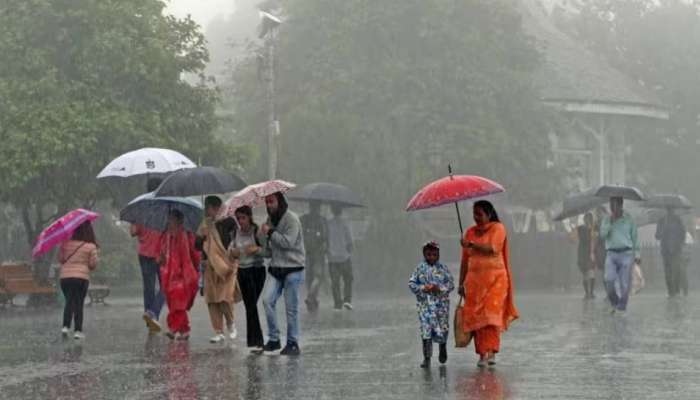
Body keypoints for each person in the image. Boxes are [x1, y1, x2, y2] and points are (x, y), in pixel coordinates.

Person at [459, 200, 519, 368]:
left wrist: (471, 244)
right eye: (474, 214)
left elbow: (493, 248)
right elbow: (465, 261)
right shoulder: (469, 232)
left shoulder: (498, 229)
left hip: (496, 282)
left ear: (489, 213)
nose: (476, 217)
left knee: (490, 317)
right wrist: (460, 283)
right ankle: (481, 354)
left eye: (479, 214)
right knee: (478, 319)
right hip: (474, 284)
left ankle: (491, 351)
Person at [260, 192, 306, 356]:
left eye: (271, 201)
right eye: (266, 202)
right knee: (267, 301)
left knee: (291, 308)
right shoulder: (269, 220)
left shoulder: (291, 219)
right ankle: (274, 339)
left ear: (279, 201)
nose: (269, 205)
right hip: (276, 268)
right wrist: (261, 238)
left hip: (293, 268)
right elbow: (267, 251)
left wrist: (271, 233)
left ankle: (292, 343)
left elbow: (288, 242)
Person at [196, 196, 239, 343]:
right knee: (212, 300)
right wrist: (201, 236)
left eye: (208, 208)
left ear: (216, 208)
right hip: (209, 266)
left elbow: (235, 241)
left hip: (226, 265)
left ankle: (231, 324)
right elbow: (197, 246)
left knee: (225, 297)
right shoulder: (204, 224)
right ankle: (218, 331)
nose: (206, 212)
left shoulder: (229, 221)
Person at [408, 241, 454, 368]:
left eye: (434, 254)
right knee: (426, 330)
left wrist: (439, 288)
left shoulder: (443, 269)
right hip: (425, 306)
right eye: (428, 254)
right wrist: (423, 288)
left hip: (441, 306)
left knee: (443, 328)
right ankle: (427, 357)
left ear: (438, 254)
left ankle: (442, 347)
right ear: (424, 254)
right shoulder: (419, 269)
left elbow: (451, 285)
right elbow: (411, 284)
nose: (431, 257)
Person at [158, 210, 201, 340]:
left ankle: (173, 328)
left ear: (179, 221)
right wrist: (160, 258)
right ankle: (184, 330)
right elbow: (161, 255)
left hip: (183, 275)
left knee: (178, 303)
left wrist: (194, 269)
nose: (169, 222)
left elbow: (195, 254)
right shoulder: (166, 236)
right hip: (168, 275)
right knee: (173, 303)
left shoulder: (187, 235)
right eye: (169, 219)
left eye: (172, 219)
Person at [130, 177, 165, 333]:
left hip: (144, 253)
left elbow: (133, 232)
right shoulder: (164, 206)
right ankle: (153, 313)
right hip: (161, 253)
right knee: (166, 286)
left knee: (148, 288)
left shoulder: (140, 207)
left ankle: (149, 320)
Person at [231, 206, 266, 350]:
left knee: (251, 306)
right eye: (238, 218)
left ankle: (257, 341)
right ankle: (256, 341)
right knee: (249, 306)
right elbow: (231, 250)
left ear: (249, 217)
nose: (241, 221)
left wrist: (256, 250)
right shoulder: (235, 233)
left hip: (256, 271)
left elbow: (267, 251)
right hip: (242, 271)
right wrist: (233, 253)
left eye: (243, 218)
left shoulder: (257, 231)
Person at [59, 221, 99, 340]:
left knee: (69, 301)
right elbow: (92, 265)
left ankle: (65, 326)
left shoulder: (65, 244)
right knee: (78, 303)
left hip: (65, 278)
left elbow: (61, 259)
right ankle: (77, 330)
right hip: (81, 278)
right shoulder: (90, 246)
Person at [600, 197, 640, 314]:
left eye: (615, 205)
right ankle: (615, 302)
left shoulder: (629, 219)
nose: (613, 208)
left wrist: (637, 254)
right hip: (611, 254)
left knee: (624, 283)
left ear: (621, 206)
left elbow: (635, 238)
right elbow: (602, 236)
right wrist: (610, 223)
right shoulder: (607, 219)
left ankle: (622, 307)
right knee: (609, 281)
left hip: (626, 254)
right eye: (611, 206)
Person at [299, 201, 328, 312]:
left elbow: (299, 234)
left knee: (310, 276)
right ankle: (311, 296)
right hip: (318, 252)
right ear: (319, 208)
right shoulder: (322, 220)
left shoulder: (303, 219)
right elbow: (325, 238)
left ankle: (313, 299)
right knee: (318, 276)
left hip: (306, 252)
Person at [327, 205, 354, 310]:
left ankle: (337, 302)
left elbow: (326, 239)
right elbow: (350, 240)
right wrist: (350, 250)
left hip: (332, 258)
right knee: (348, 279)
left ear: (332, 210)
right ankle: (347, 300)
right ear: (341, 210)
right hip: (344, 257)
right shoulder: (345, 223)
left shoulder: (328, 224)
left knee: (335, 282)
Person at [655, 208, 687, 298]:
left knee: (676, 270)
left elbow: (683, 233)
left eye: (672, 210)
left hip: (676, 249)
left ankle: (676, 290)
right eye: (669, 210)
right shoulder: (661, 221)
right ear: (667, 210)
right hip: (665, 250)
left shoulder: (678, 220)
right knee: (668, 272)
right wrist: (662, 231)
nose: (670, 212)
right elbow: (657, 235)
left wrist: (680, 242)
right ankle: (670, 291)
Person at [569, 213, 597, 299]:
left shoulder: (588, 228)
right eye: (587, 219)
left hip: (585, 252)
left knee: (588, 272)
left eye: (588, 219)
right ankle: (589, 293)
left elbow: (572, 239)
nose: (587, 220)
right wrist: (573, 230)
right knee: (587, 273)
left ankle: (589, 293)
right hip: (585, 252)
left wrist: (592, 252)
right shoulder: (583, 228)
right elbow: (572, 239)